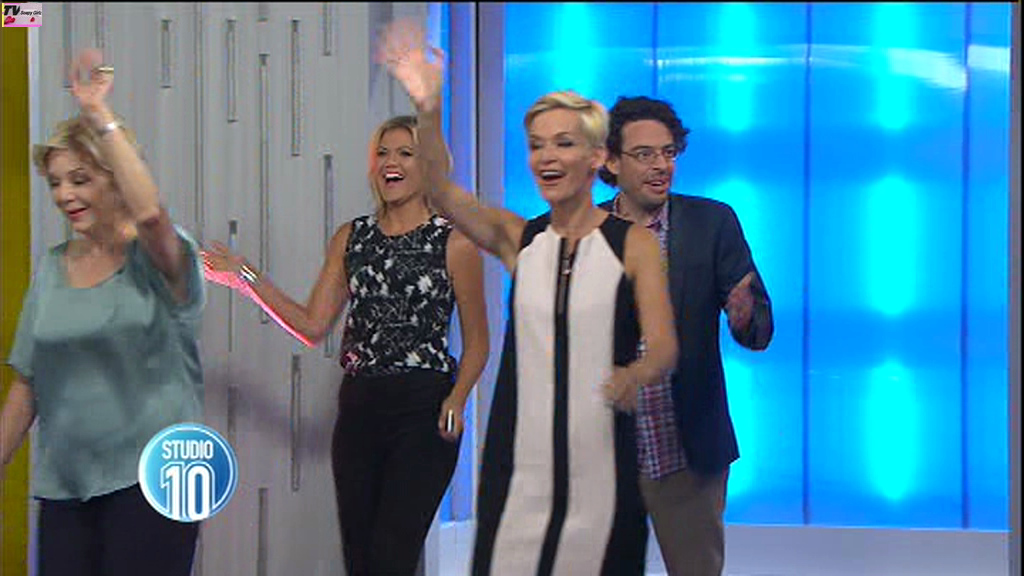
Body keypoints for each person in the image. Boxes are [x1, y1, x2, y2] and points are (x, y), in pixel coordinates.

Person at [378, 21, 679, 575]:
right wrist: (429, 106)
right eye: (537, 145)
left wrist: (634, 375)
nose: (547, 157)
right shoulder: (520, 239)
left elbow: (663, 345)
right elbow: (441, 191)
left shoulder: (632, 244)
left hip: (601, 465)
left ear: (597, 157)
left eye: (563, 143)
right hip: (519, 467)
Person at [201, 114, 490, 576]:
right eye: (383, 153)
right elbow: (312, 325)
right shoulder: (351, 238)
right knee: (361, 561)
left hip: (423, 411)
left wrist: (456, 400)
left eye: (405, 153)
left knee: (391, 559)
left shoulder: (454, 243)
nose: (391, 162)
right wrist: (245, 277)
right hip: (360, 409)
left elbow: (478, 342)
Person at [0, 50, 206, 576]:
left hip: (155, 481)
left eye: (80, 179)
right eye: (56, 182)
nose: (65, 195)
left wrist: (97, 114)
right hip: (66, 488)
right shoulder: (50, 269)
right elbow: (28, 382)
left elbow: (151, 214)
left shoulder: (161, 259)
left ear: (115, 179)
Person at [598, 95, 775, 576]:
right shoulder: (586, 233)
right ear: (610, 161)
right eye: (645, 154)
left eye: (669, 152)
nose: (661, 166)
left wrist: (743, 315)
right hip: (603, 451)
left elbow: (759, 330)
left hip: (687, 448)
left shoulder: (712, 223)